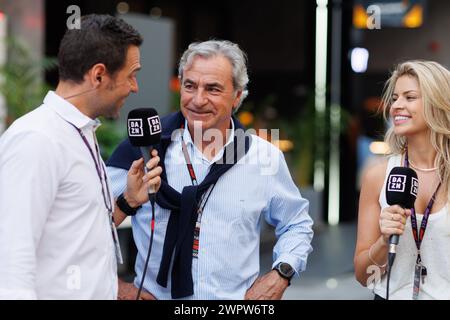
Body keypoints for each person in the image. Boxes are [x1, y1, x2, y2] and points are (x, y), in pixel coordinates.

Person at [106, 40, 314, 300]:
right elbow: (85, 225)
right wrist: (116, 287)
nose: (198, 99)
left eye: (213, 89)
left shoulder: (262, 157)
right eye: (190, 85)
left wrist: (281, 275)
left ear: (238, 96)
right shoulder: (142, 150)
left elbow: (296, 224)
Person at [0, 14, 162, 299]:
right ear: (99, 75)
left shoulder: (78, 131)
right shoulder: (37, 140)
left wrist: (129, 200)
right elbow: (11, 263)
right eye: (131, 75)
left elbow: (78, 232)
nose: (135, 87)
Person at [354, 60, 450, 299]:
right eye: (395, 97)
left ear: (437, 103)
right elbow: (363, 275)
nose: (396, 105)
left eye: (409, 97)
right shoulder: (377, 176)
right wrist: (384, 241)